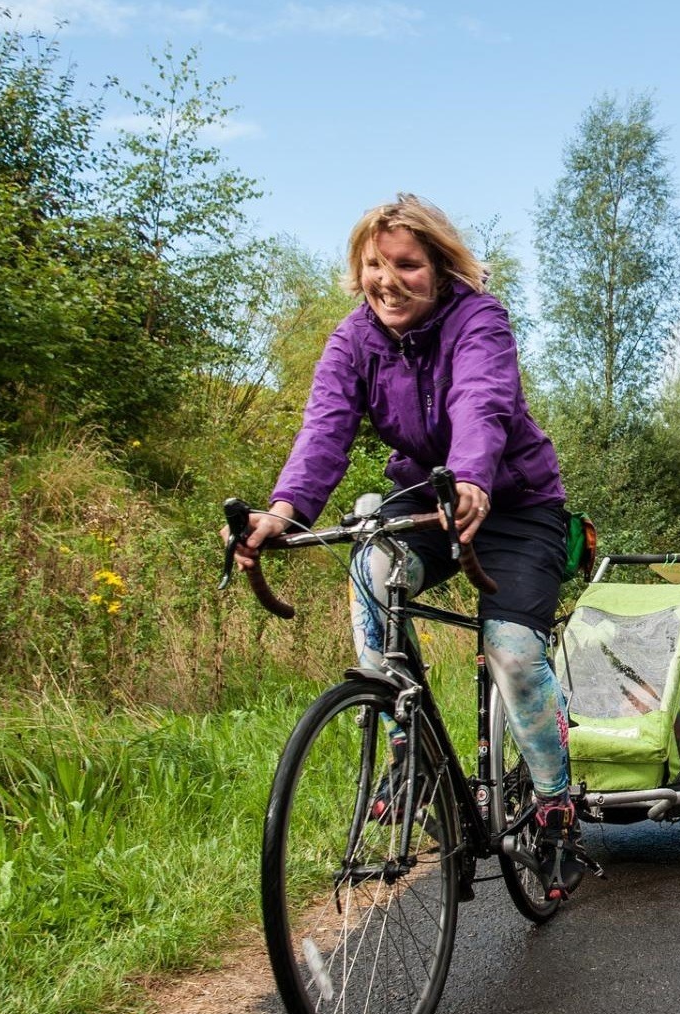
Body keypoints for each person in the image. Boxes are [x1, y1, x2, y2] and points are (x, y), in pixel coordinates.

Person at [231, 193, 583, 898]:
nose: (387, 280)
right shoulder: (353, 339)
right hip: (426, 496)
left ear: (440, 267)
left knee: (513, 653)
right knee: (370, 564)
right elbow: (324, 427)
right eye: (373, 265)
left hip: (512, 504)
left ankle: (554, 809)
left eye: (406, 265)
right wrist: (281, 511)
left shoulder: (478, 318)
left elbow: (481, 401)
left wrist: (476, 478)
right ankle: (410, 747)